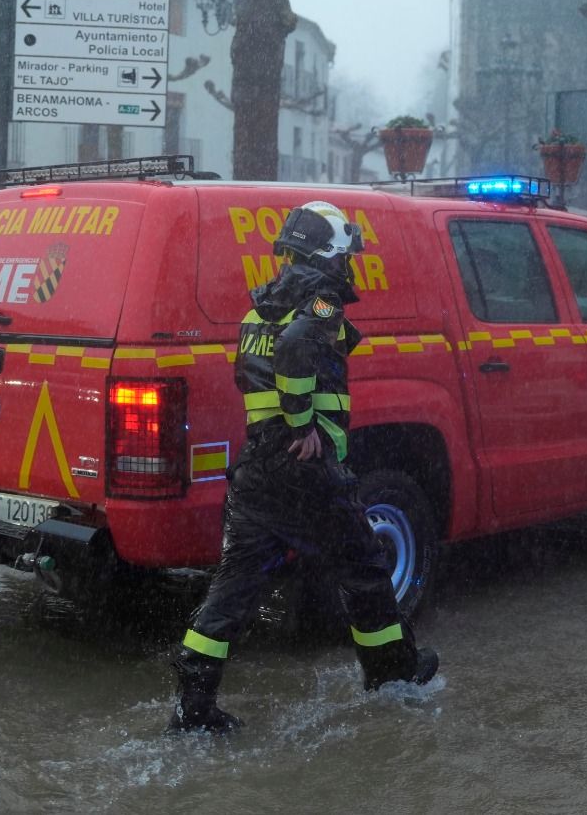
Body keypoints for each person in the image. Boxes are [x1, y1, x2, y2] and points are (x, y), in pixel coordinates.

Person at [169, 200, 438, 734]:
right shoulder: (321, 303)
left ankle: (193, 705)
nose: (350, 268)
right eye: (347, 256)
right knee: (364, 567)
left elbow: (250, 373)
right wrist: (302, 424)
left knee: (234, 585)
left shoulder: (256, 309)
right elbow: (295, 347)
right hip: (306, 469)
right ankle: (393, 676)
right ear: (331, 254)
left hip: (258, 467)